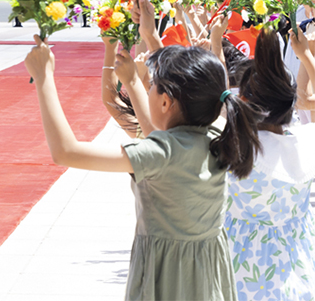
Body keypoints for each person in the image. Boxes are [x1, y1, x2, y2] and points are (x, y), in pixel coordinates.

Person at [24, 18, 262, 299]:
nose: (149, 90)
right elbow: (158, 136)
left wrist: (44, 78)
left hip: (168, 278)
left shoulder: (161, 153)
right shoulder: (217, 131)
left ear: (165, 102)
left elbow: (66, 152)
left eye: (153, 86)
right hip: (206, 274)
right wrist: (133, 81)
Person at [225, 28, 315, 300]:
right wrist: (306, 56)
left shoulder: (233, 150)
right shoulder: (306, 144)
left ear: (243, 101)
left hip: (239, 274)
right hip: (298, 274)